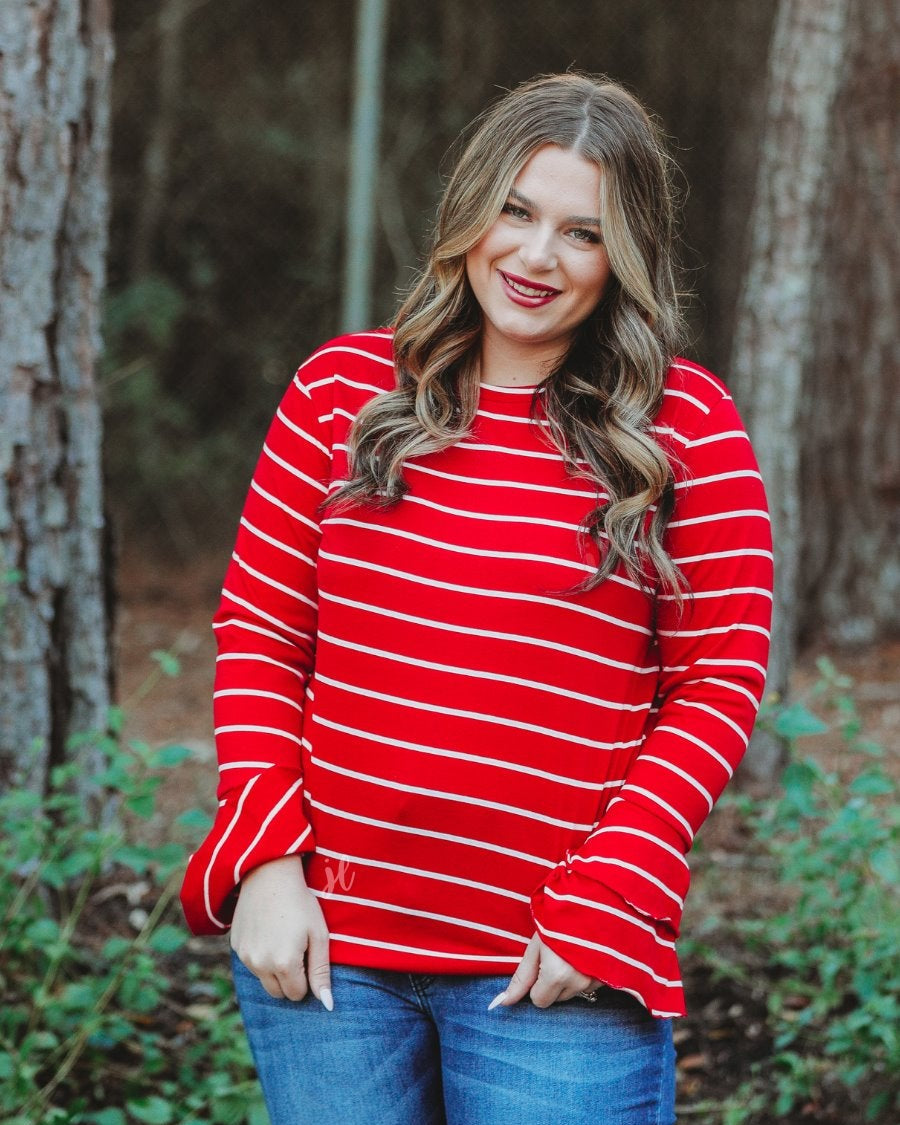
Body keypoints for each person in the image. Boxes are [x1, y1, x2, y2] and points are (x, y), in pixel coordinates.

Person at [180, 72, 773, 1125]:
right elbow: (262, 634)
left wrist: (610, 896)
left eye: (581, 233)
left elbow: (715, 684)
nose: (537, 256)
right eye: (516, 210)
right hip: (330, 966)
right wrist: (266, 861)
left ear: (623, 257)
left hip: (554, 968)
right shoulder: (341, 394)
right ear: (468, 211)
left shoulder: (686, 428)